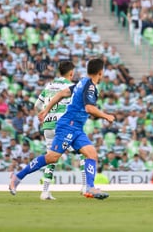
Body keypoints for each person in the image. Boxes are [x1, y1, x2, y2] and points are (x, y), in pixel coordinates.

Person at [9, 59, 115, 200]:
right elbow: (89, 108)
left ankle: (90, 187)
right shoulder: (89, 86)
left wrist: (46, 110)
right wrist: (106, 116)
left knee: (92, 154)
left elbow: (62, 93)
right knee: (51, 157)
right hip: (68, 125)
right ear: (100, 73)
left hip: (76, 127)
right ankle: (17, 177)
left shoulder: (82, 82)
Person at [34, 61, 86, 200]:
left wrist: (43, 114)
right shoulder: (71, 87)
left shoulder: (49, 85)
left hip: (48, 125)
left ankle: (45, 191)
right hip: (63, 124)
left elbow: (37, 105)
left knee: (50, 158)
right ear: (71, 73)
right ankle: (85, 185)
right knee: (83, 151)